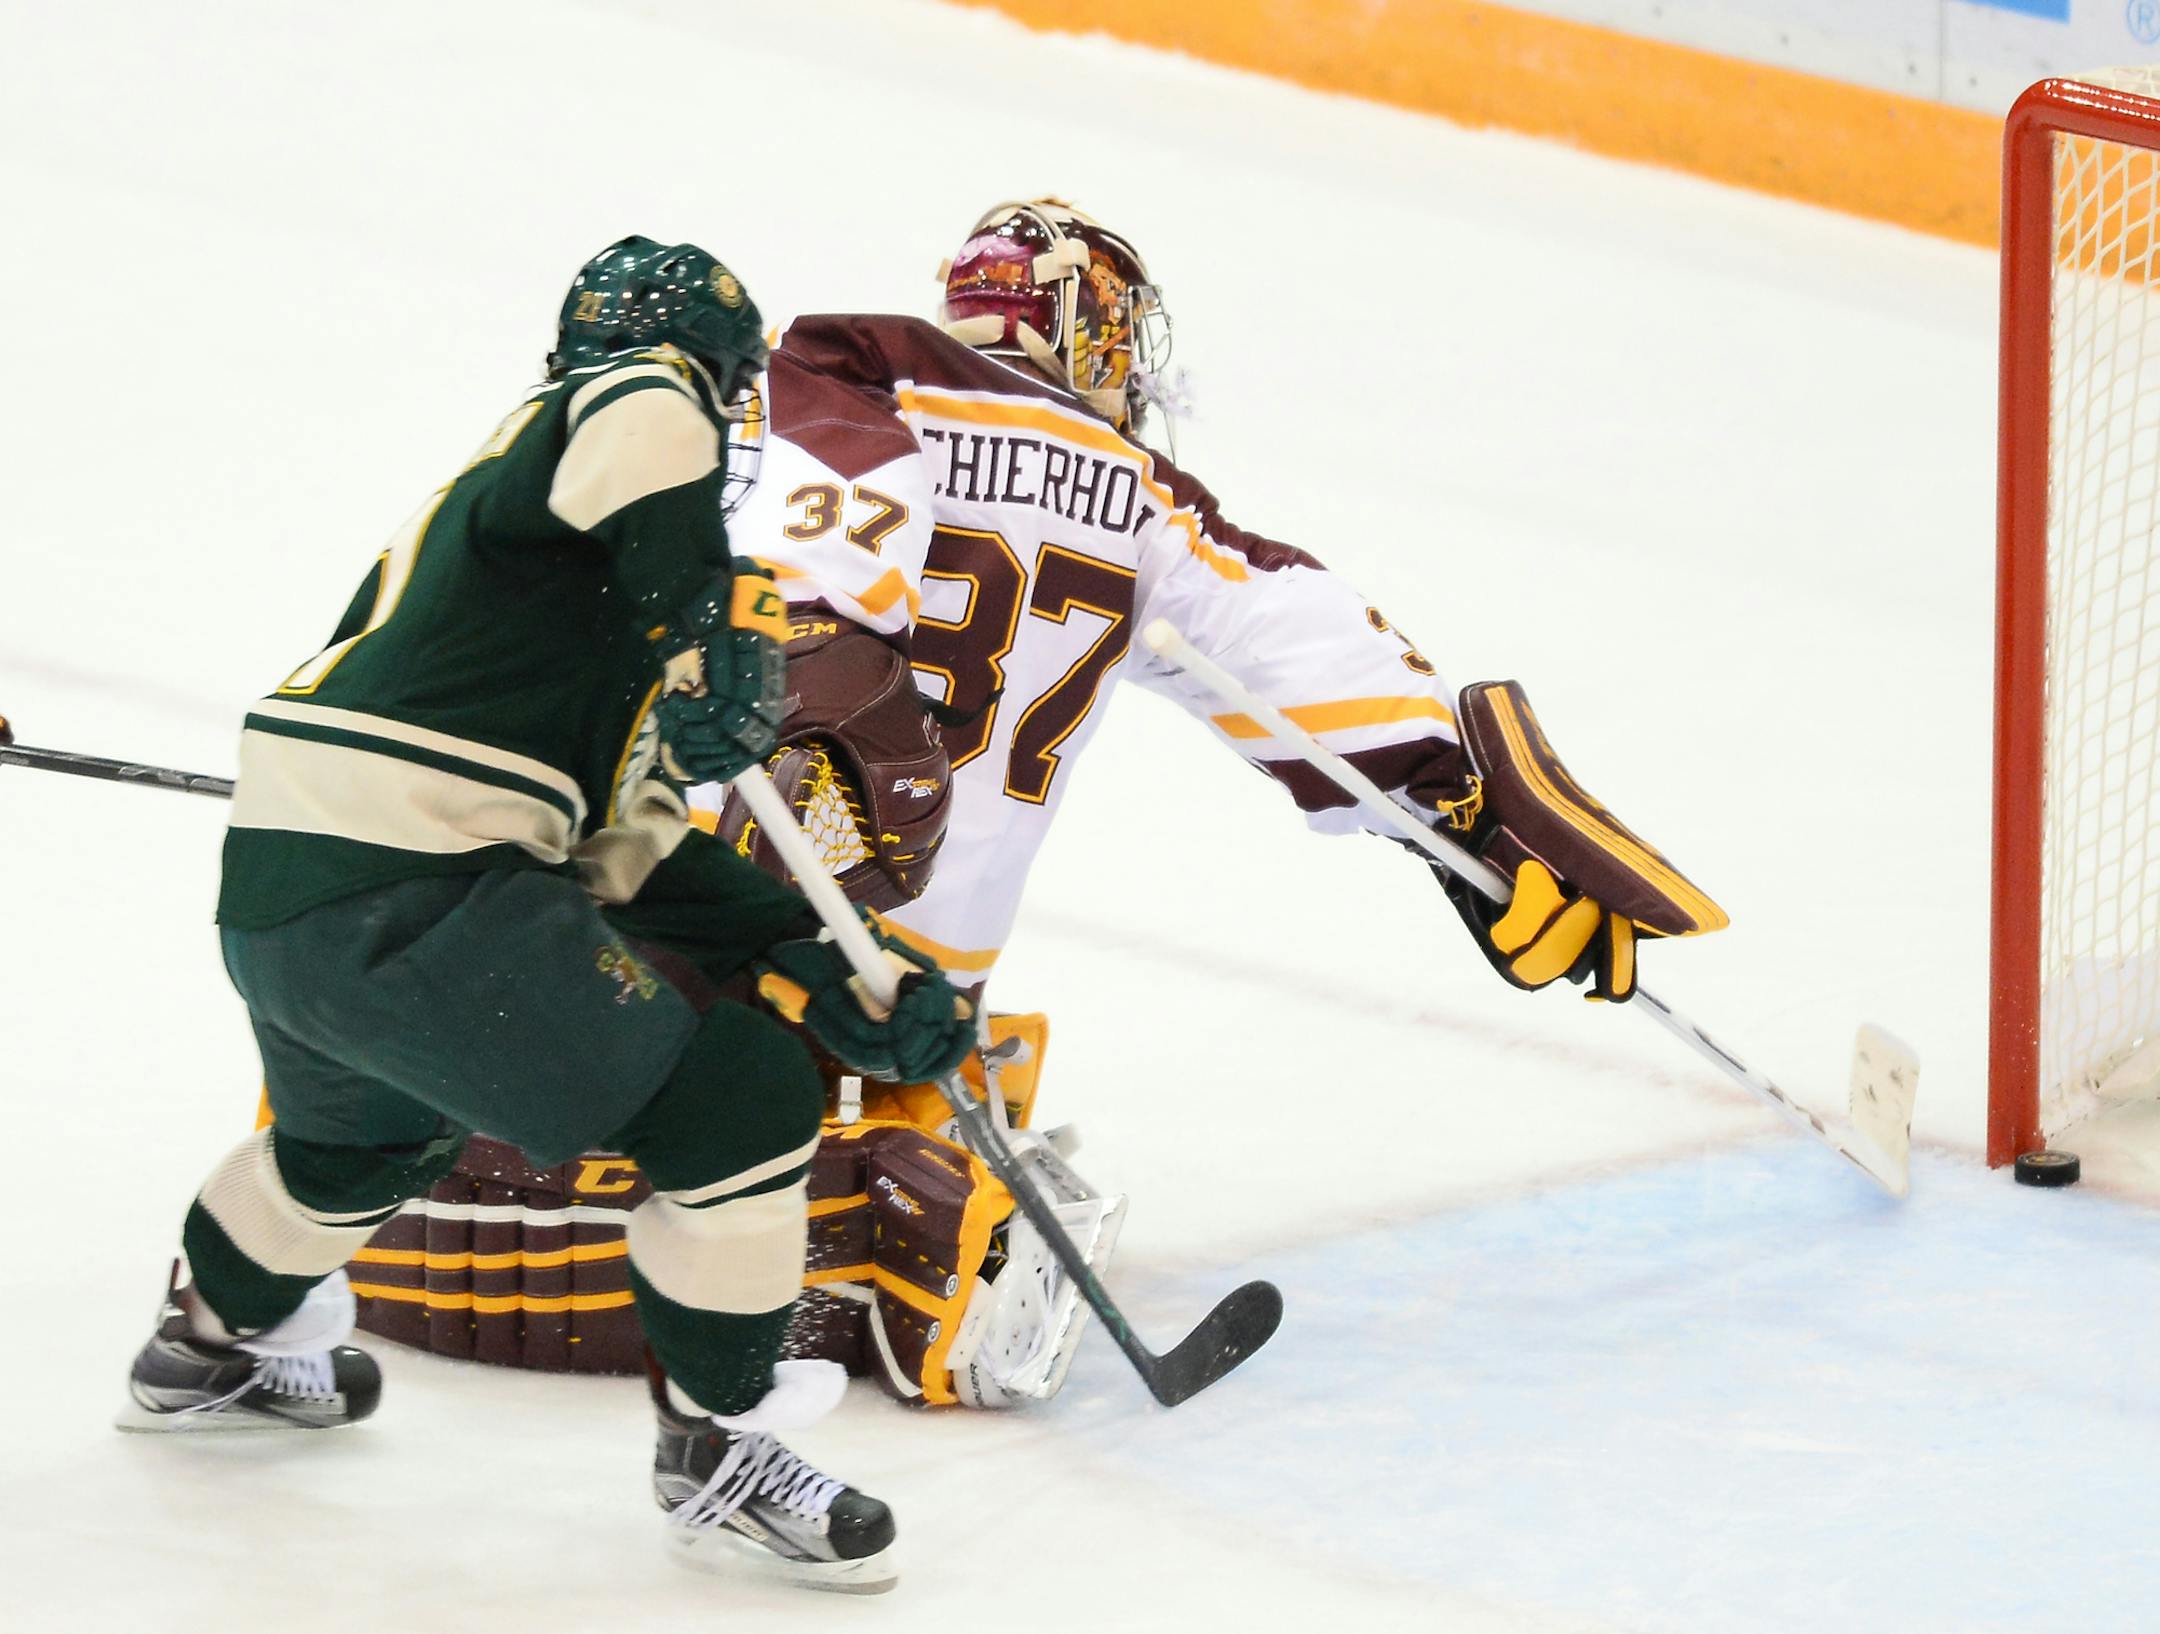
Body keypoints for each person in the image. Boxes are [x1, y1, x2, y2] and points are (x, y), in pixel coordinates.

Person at [332, 200, 1728, 1411]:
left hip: (714, 917)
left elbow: (762, 607)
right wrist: (1477, 828)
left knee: (460, 1178)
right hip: (916, 969)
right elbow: (1335, 688)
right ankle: (901, 1172)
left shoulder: (829, 388)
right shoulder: (1144, 502)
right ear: (1103, 340)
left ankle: (889, 1229)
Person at [120, 236, 973, 1595]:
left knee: (359, 1144)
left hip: (290, 894)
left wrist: (808, 961)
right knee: (739, 1103)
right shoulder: (634, 409)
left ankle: (207, 1346)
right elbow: (646, 403)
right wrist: (706, 619)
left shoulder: (541, 568)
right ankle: (720, 1454)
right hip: (416, 883)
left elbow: (621, 854)